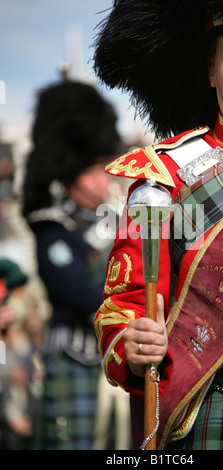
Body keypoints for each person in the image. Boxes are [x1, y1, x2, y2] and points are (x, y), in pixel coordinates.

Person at [93, 0, 223, 450]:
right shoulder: (164, 176)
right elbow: (124, 304)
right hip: (204, 402)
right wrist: (132, 341)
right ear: (211, 70)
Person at [22, 79, 122, 449]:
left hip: (117, 356)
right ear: (68, 174)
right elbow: (82, 292)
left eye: (102, 168)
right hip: (74, 356)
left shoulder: (113, 219)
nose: (101, 179)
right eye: (90, 170)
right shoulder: (52, 227)